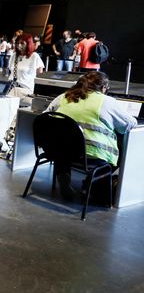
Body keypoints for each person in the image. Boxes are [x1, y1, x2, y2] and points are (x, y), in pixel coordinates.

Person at [45, 71, 136, 201]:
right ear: (103, 88)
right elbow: (129, 124)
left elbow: (45, 116)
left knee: (64, 142)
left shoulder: (64, 97)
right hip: (91, 155)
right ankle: (91, 184)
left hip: (60, 152)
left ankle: (64, 177)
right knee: (121, 149)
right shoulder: (106, 101)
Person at [9, 33, 45, 99]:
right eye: (17, 43)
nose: (19, 45)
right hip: (11, 88)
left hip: (25, 90)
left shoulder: (34, 56)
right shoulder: (14, 55)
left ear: (28, 44)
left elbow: (40, 76)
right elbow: (11, 72)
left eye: (22, 43)